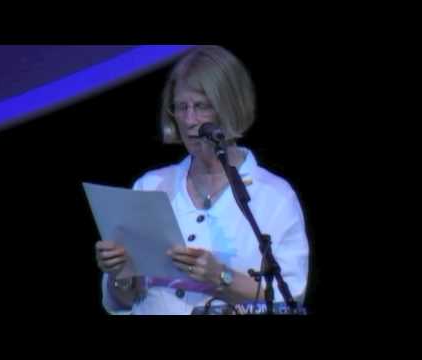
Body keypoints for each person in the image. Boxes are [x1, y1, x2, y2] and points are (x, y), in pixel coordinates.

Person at [94, 45, 310, 315]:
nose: (189, 120)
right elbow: (121, 301)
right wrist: (120, 274)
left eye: (201, 107)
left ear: (229, 106)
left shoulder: (274, 196)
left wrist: (221, 277)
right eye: (181, 107)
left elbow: (290, 294)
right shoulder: (150, 186)